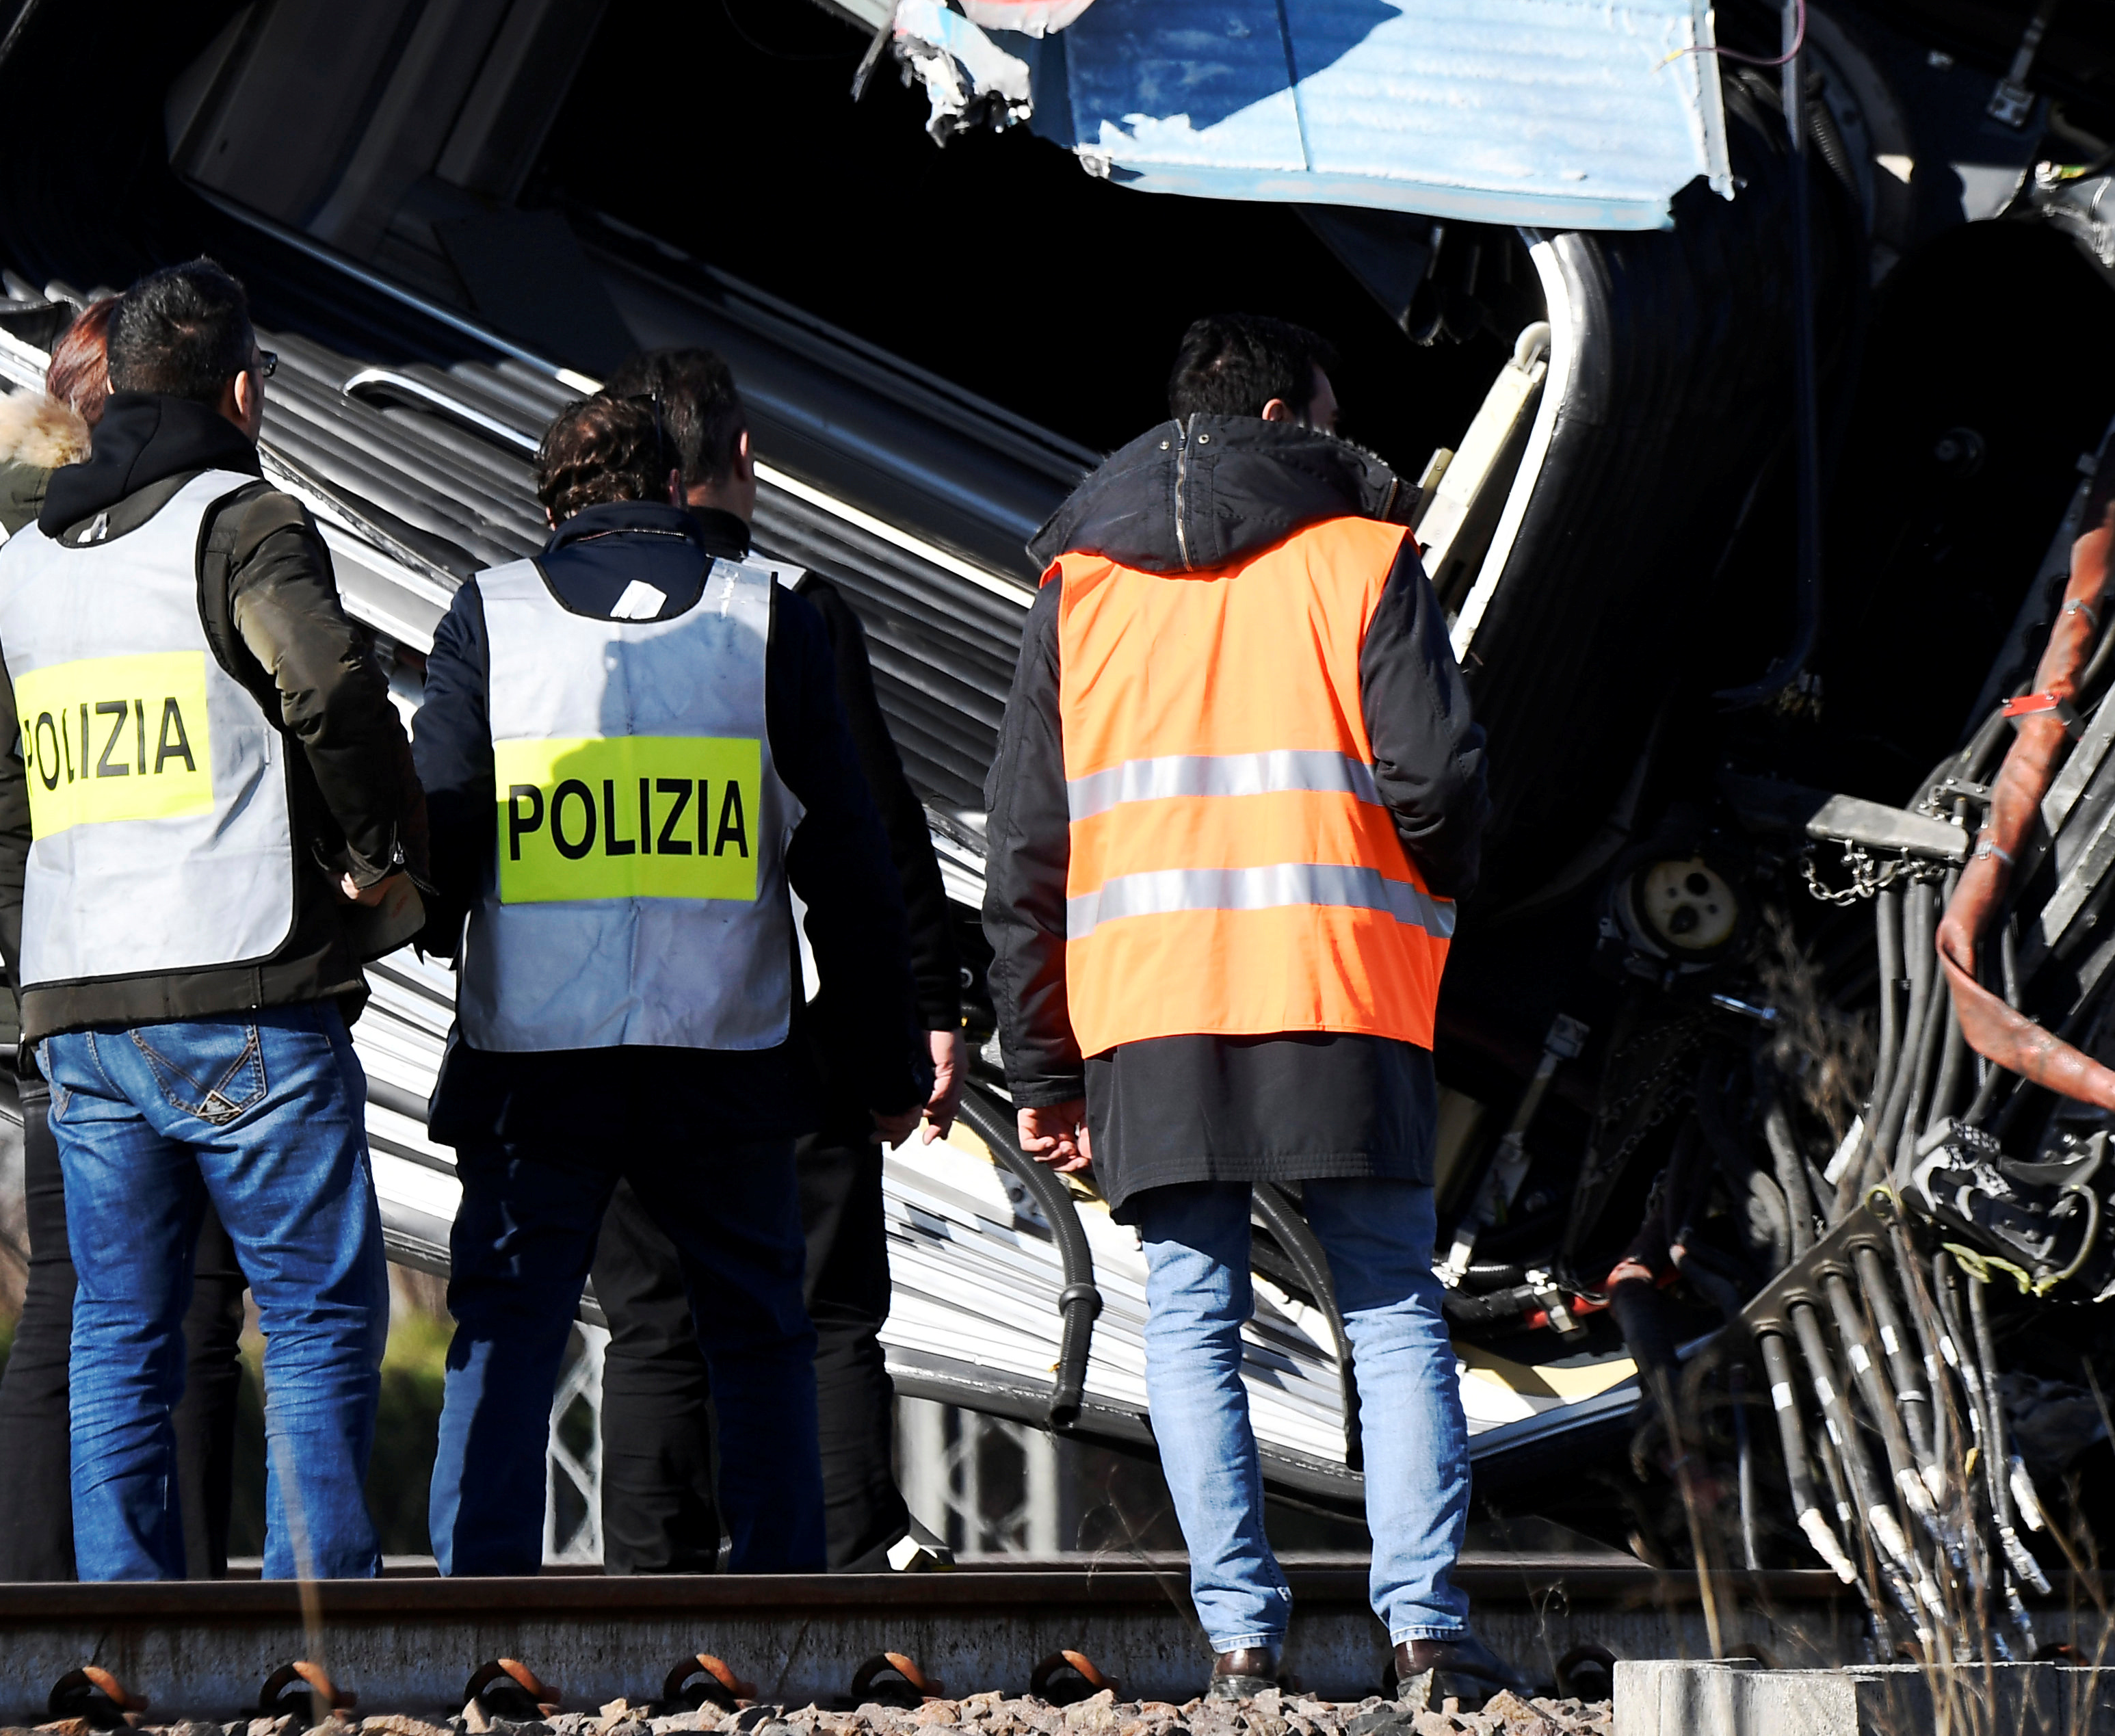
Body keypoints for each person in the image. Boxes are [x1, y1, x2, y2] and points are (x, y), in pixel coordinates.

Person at [980, 313, 1496, 1703]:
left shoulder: (1078, 587)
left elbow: (1028, 837)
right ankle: (1426, 1627)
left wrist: (1042, 1059)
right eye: (1326, 422)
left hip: (1150, 1006)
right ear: (1284, 419)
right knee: (1389, 1308)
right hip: (1339, 982)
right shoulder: (1363, 558)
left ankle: (1242, 1636)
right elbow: (1440, 781)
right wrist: (1440, 874)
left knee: (1192, 1316)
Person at [0, 259, 421, 1581]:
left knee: (118, 1329)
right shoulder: (244, 524)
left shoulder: (28, 566)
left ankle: (127, 1635)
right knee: (320, 1313)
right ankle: (313, 1630)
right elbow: (327, 691)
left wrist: (51, 940)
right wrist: (379, 851)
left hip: (83, 1020)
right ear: (241, 390)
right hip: (245, 998)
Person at [410, 391, 926, 1574]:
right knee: (758, 1334)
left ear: (552, 505)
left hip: (535, 1061)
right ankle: (782, 1608)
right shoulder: (769, 617)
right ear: (671, 487)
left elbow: (439, 818)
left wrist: (428, 921)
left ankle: (470, 1612)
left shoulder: (492, 616)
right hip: (725, 1056)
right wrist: (885, 1062)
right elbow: (848, 860)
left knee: (509, 1335)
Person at [586, 347, 965, 1574]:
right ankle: (845, 1562)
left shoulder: (539, 606)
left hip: (598, 1027)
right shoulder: (788, 607)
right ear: (741, 458)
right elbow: (868, 838)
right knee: (823, 1305)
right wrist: (916, 1016)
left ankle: (650, 1592)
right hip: (772, 1030)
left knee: (651, 1325)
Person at [0, 298, 253, 1583]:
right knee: (188, 1304)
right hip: (142, 949)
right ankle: (169, 1605)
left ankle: (32, 1601)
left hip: (41, 962)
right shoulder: (113, 547)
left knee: (73, 1293)